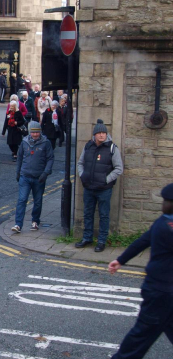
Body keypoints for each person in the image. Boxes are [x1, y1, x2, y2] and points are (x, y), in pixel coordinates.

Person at [108, 183, 173, 359]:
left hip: (162, 292)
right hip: (161, 294)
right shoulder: (167, 228)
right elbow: (144, 241)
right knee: (139, 337)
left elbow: (142, 241)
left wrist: (120, 259)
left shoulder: (162, 222)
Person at [75, 119, 124, 252]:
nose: (102, 135)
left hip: (104, 189)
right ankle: (87, 238)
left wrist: (106, 180)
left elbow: (119, 168)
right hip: (89, 187)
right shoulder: (88, 146)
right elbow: (80, 163)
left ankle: (102, 241)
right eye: (99, 133)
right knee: (88, 213)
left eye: (104, 132)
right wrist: (83, 176)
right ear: (95, 134)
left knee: (104, 215)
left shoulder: (112, 148)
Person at [12, 121, 54, 233]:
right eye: (33, 132)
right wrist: (18, 172)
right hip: (25, 176)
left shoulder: (46, 143)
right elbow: (20, 157)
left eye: (37, 132)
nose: (35, 135)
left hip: (39, 177)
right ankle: (18, 224)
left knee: (38, 201)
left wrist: (46, 173)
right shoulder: (24, 142)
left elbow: (50, 158)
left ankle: (35, 221)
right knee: (22, 200)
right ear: (30, 132)